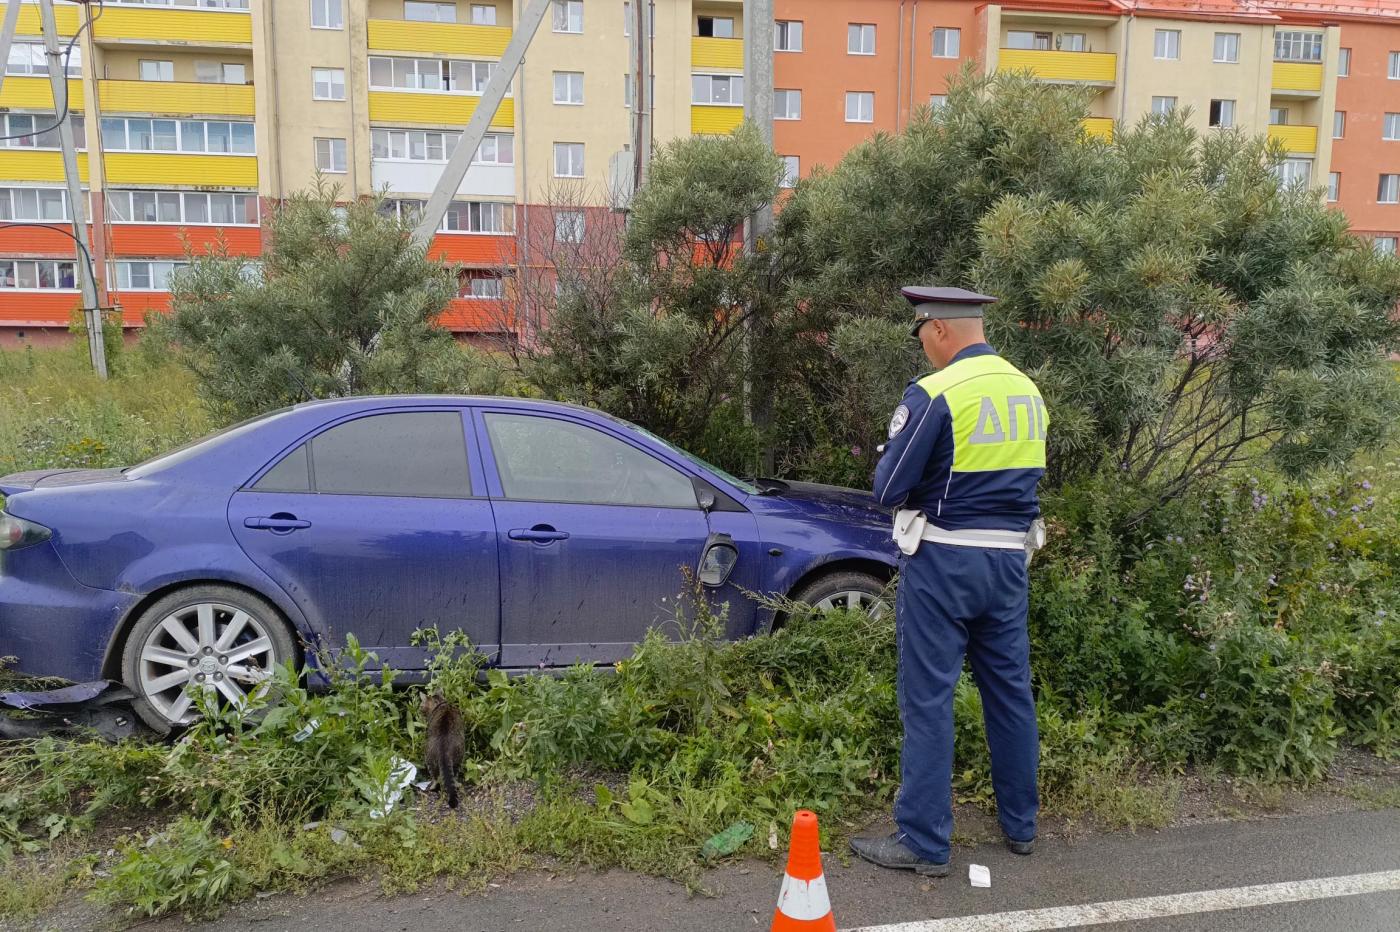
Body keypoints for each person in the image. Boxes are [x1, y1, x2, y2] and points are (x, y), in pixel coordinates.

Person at [851, 285, 1048, 877]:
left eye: (920, 335)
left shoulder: (936, 393)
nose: (922, 348)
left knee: (929, 697)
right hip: (1008, 563)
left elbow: (888, 489)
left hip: (943, 562)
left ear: (937, 329)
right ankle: (1022, 827)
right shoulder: (1026, 389)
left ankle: (924, 842)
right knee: (1010, 692)